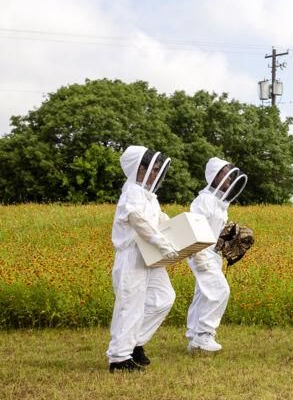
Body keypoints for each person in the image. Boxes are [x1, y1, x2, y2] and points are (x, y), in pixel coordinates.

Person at [106, 146, 177, 373]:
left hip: (149, 254)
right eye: (154, 169)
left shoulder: (148, 195)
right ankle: (118, 358)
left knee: (164, 297)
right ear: (141, 168)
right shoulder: (132, 192)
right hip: (132, 255)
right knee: (130, 305)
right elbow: (138, 220)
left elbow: (158, 219)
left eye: (158, 170)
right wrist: (162, 243)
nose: (157, 174)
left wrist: (184, 230)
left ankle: (134, 343)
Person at [185, 157, 247, 353]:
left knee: (203, 294)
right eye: (225, 173)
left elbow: (215, 231)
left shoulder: (219, 203)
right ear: (215, 175)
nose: (229, 178)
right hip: (201, 253)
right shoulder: (203, 200)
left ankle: (194, 336)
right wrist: (198, 254)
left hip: (213, 254)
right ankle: (204, 334)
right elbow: (193, 226)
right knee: (220, 290)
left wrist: (228, 236)